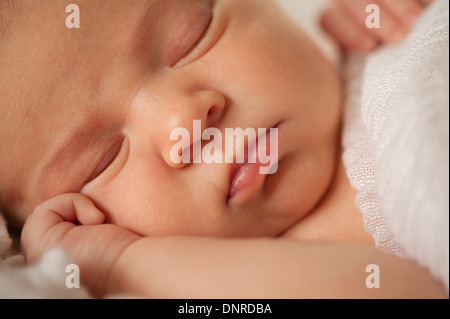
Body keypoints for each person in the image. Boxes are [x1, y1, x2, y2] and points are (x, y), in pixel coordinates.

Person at [0, 0, 446, 298]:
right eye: (100, 161)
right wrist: (122, 264)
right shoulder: (217, 286)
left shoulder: (366, 35)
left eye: (193, 36)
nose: (184, 123)